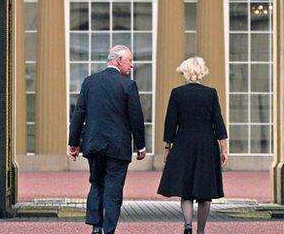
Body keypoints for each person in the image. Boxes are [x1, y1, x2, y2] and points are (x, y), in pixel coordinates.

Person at [68, 44, 147, 234]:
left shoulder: (89, 82)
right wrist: (141, 146)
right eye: (129, 61)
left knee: (96, 183)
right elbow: (135, 117)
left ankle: (96, 227)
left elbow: (79, 113)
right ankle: (109, 230)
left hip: (94, 143)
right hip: (118, 147)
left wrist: (73, 143)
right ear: (118, 60)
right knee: (114, 189)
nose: (132, 65)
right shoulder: (128, 85)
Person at [157, 56, 229, 234]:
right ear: (201, 71)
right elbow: (217, 121)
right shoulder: (210, 93)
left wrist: (167, 147)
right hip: (206, 144)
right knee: (205, 191)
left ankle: (188, 225)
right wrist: (224, 148)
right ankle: (201, 231)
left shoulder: (177, 93)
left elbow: (170, 122)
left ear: (185, 72)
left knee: (186, 189)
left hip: (183, 143)